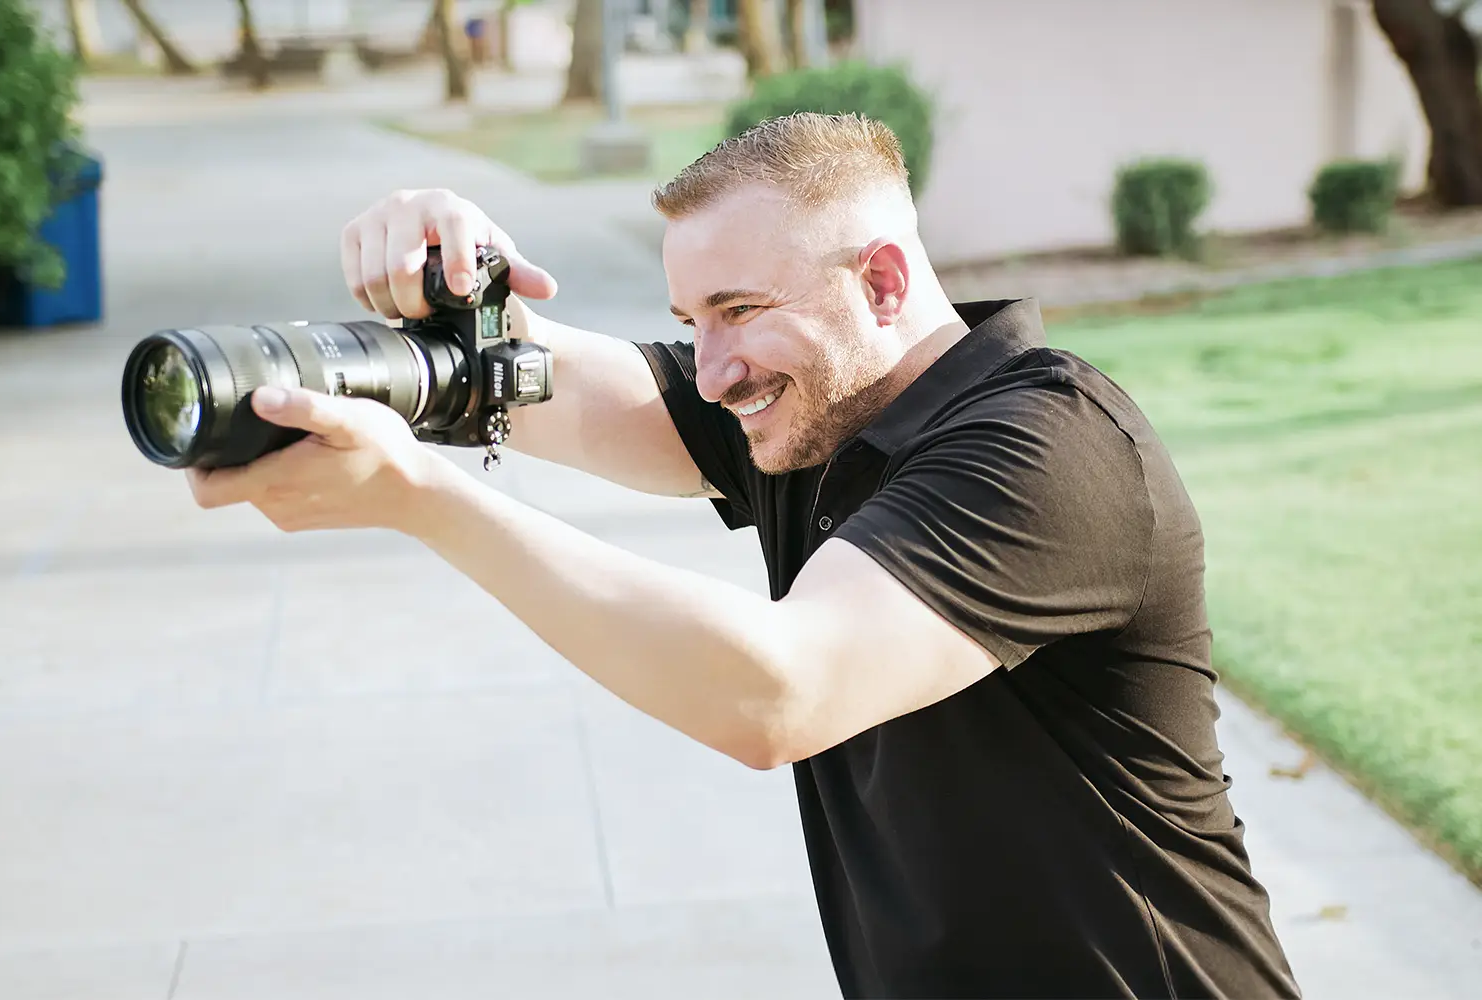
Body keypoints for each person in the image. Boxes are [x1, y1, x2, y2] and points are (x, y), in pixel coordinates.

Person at [186, 112, 1302, 999]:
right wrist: (451, 288)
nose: (713, 370)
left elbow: (775, 694)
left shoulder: (1051, 447)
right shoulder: (813, 409)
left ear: (882, 283)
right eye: (691, 320)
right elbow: (525, 379)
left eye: (739, 309)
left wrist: (421, 499)